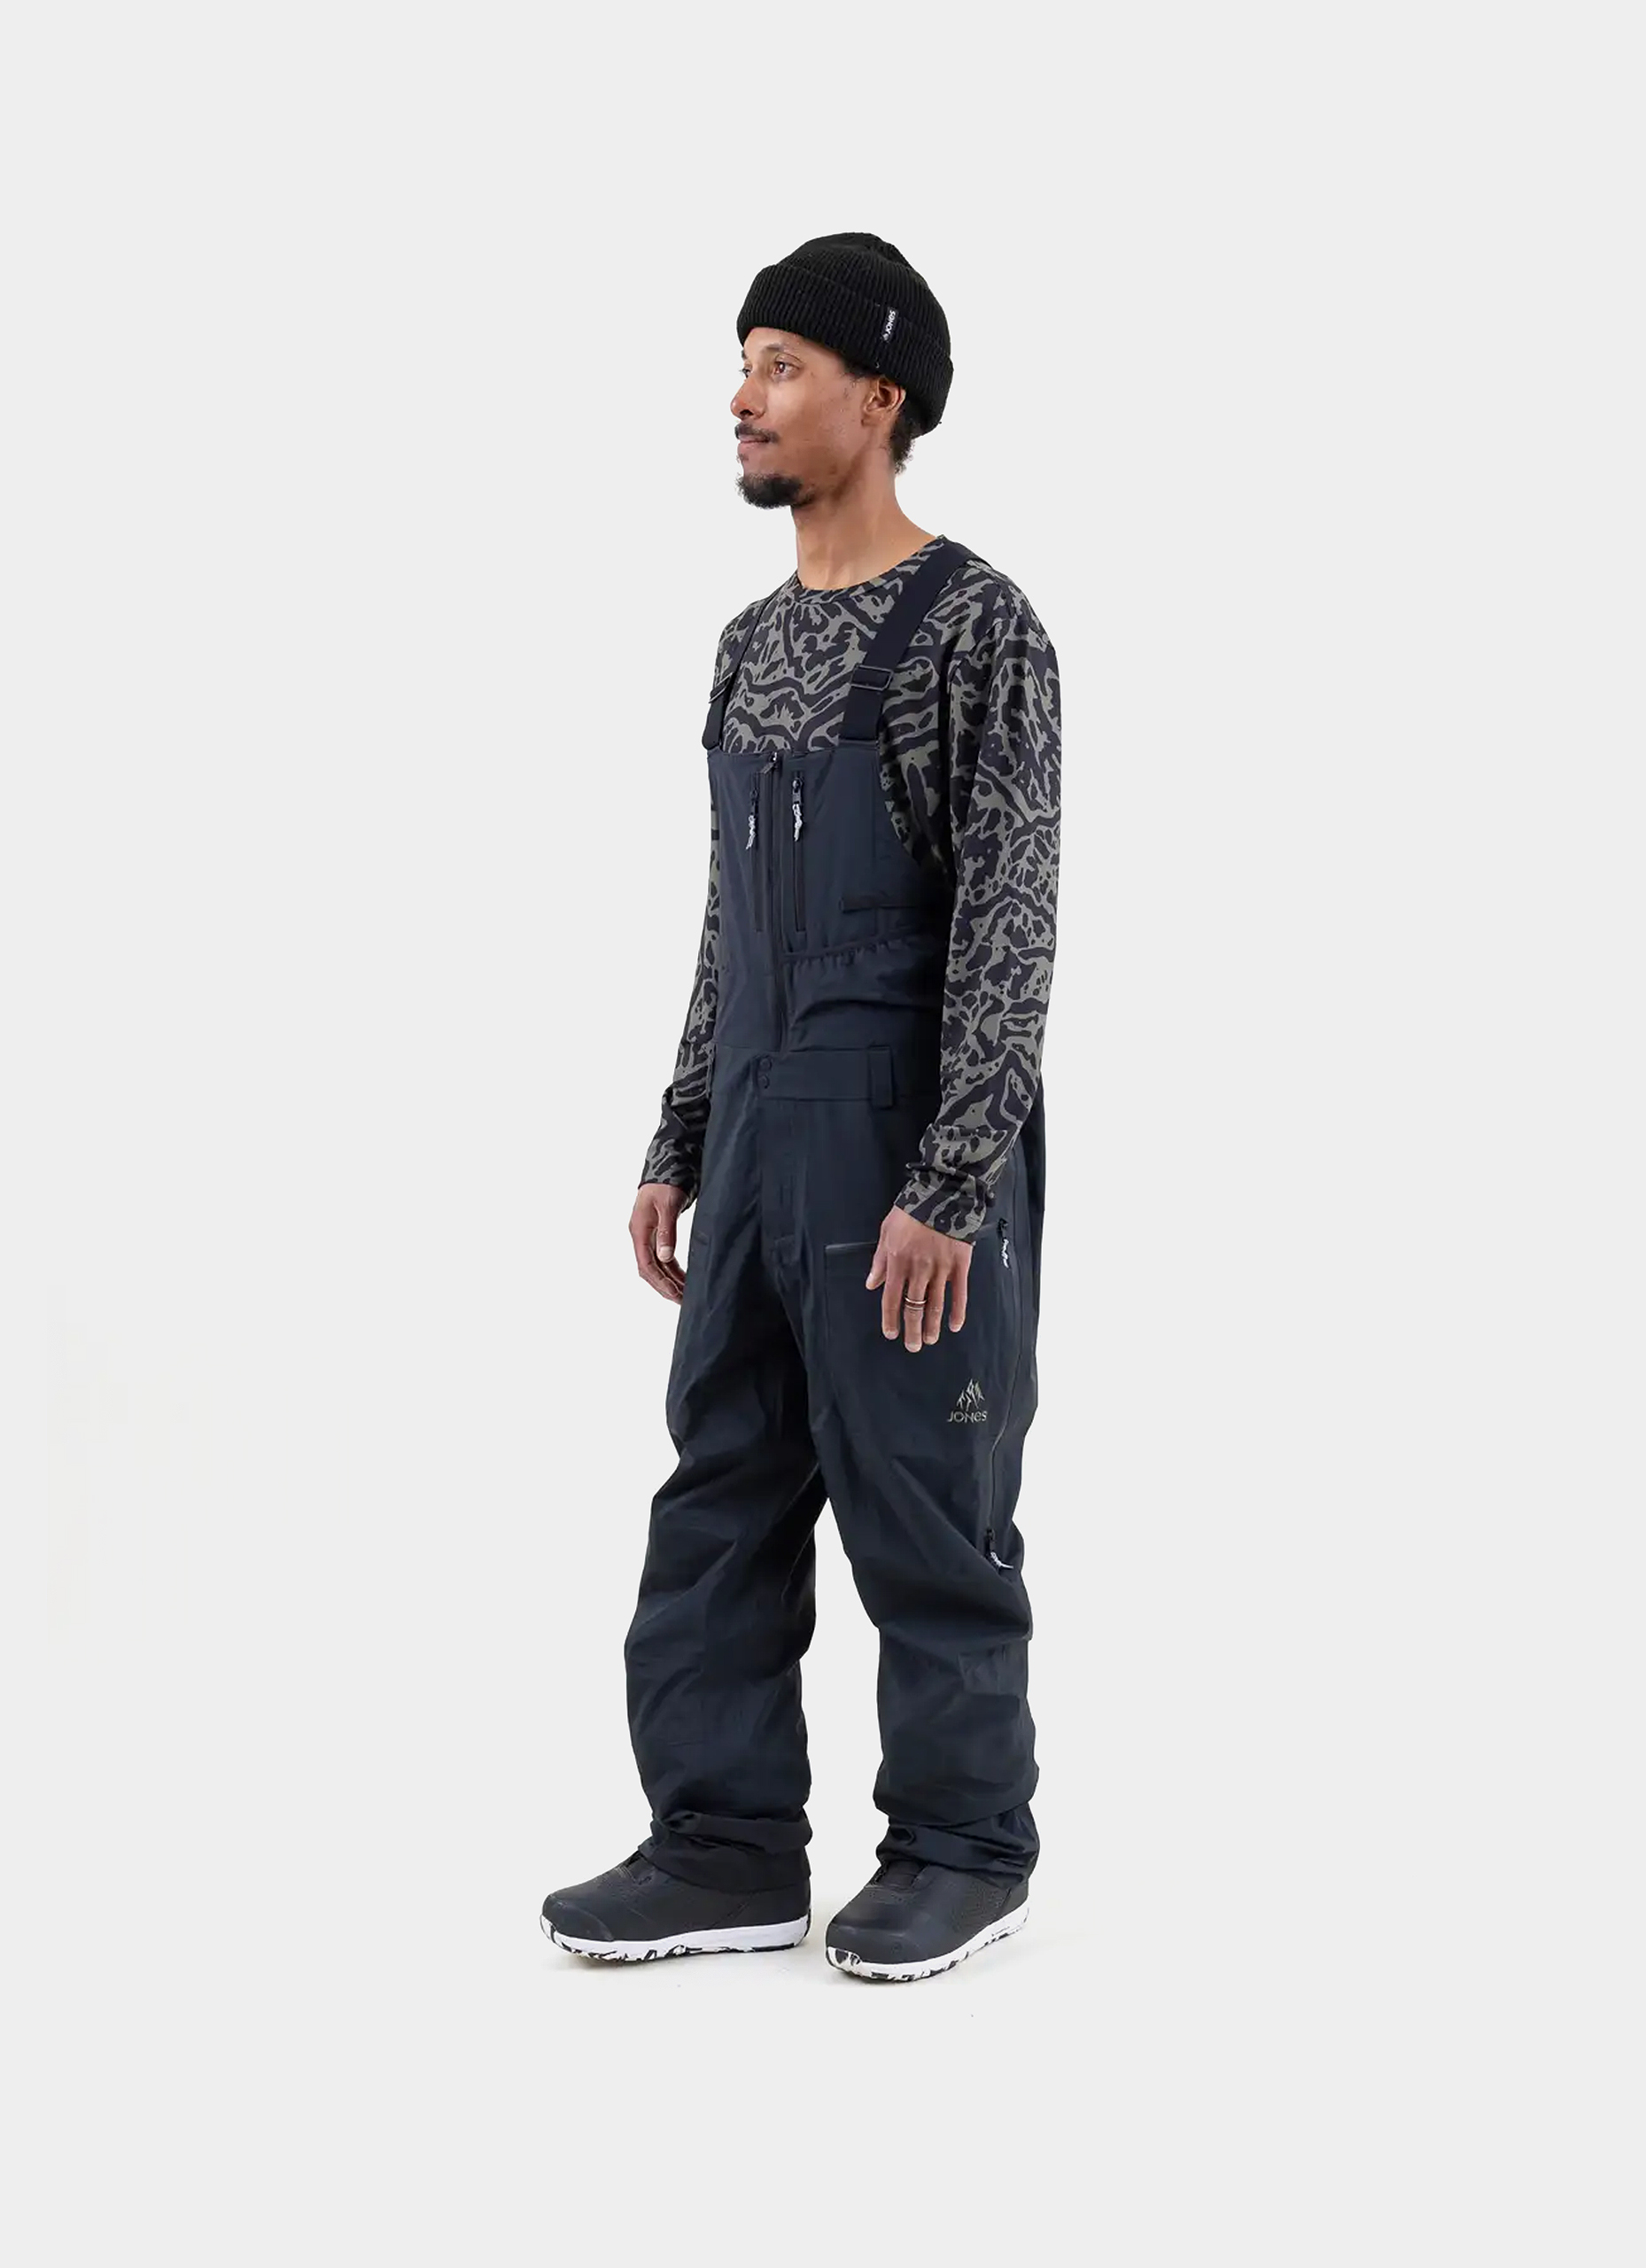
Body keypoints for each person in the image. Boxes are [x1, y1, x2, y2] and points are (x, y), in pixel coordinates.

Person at [540, 232, 1062, 1983]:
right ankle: (727, 1842)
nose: (743, 397)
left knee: (925, 1498)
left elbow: (1008, 924)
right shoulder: (749, 642)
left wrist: (953, 1179)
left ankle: (965, 1845)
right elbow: (729, 922)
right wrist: (683, 1130)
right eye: (744, 360)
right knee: (722, 1489)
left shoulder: (976, 627)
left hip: (903, 1133)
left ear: (880, 395)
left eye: (782, 364)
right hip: (764, 1125)